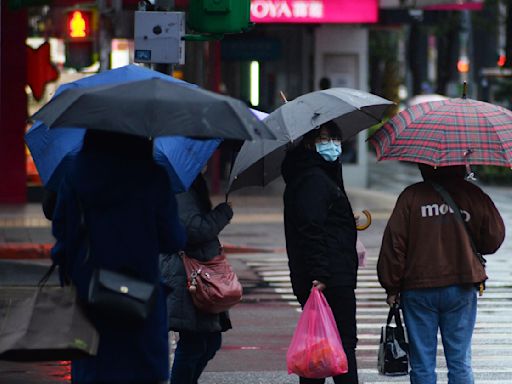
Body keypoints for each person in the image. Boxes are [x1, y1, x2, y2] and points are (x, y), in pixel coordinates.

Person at [51, 130, 186, 384]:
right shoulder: (153, 177)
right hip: (139, 300)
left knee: (93, 370)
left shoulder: (75, 175)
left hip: (90, 296)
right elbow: (174, 239)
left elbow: (61, 233)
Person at [377, 164, 505, 384]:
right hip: (461, 284)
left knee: (422, 363)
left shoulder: (411, 196)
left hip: (417, 288)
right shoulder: (473, 195)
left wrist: (392, 286)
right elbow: (493, 238)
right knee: (460, 361)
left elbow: (394, 245)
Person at [281, 121, 359, 384]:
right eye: (326, 138)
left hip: (329, 272)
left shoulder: (320, 174)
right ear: (308, 142)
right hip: (329, 277)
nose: (333, 144)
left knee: (319, 349)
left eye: (336, 138)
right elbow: (310, 229)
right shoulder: (313, 179)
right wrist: (320, 273)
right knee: (340, 347)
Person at [160, 171, 234, 384]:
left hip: (197, 270)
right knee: (195, 343)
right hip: (187, 272)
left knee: (209, 341)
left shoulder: (188, 183)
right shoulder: (181, 187)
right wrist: (223, 212)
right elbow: (193, 230)